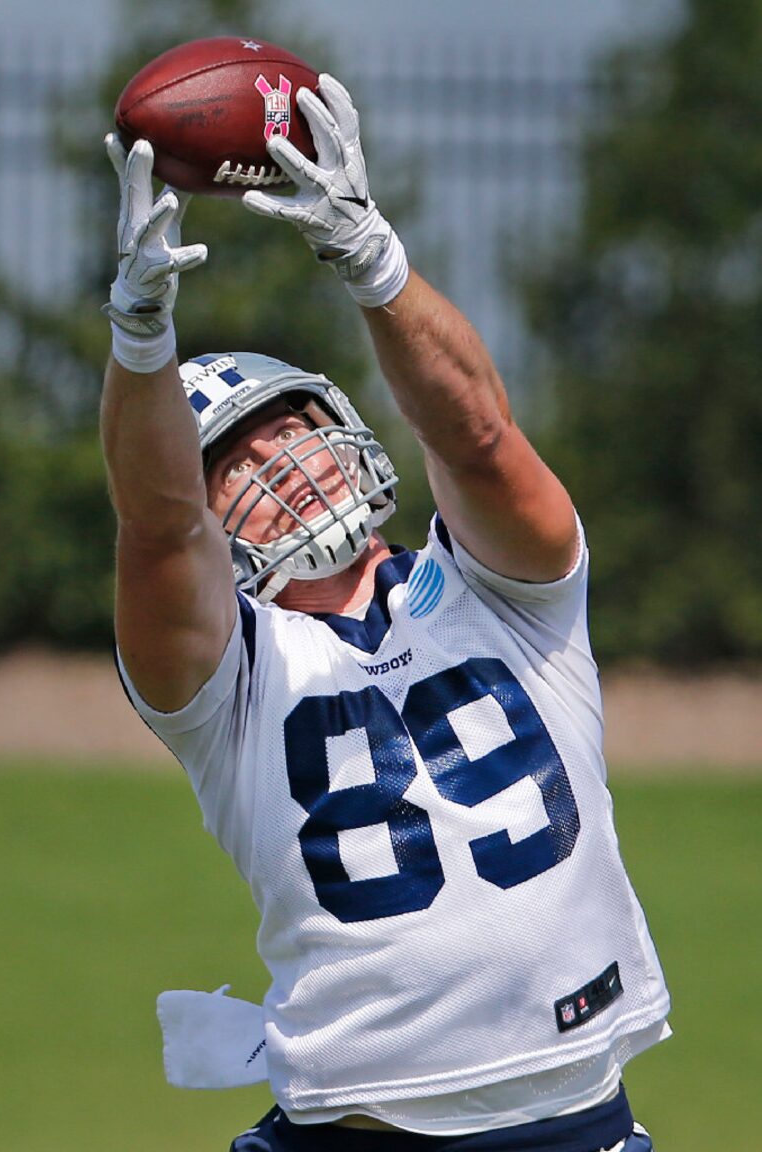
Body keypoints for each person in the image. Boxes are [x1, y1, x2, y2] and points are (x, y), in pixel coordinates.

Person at [100, 71, 670, 1152]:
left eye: (287, 424)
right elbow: (158, 532)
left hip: (576, 1121)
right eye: (233, 461)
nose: (280, 461)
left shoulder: (505, 593)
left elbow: (479, 439)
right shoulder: (232, 678)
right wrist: (140, 339)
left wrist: (372, 260)